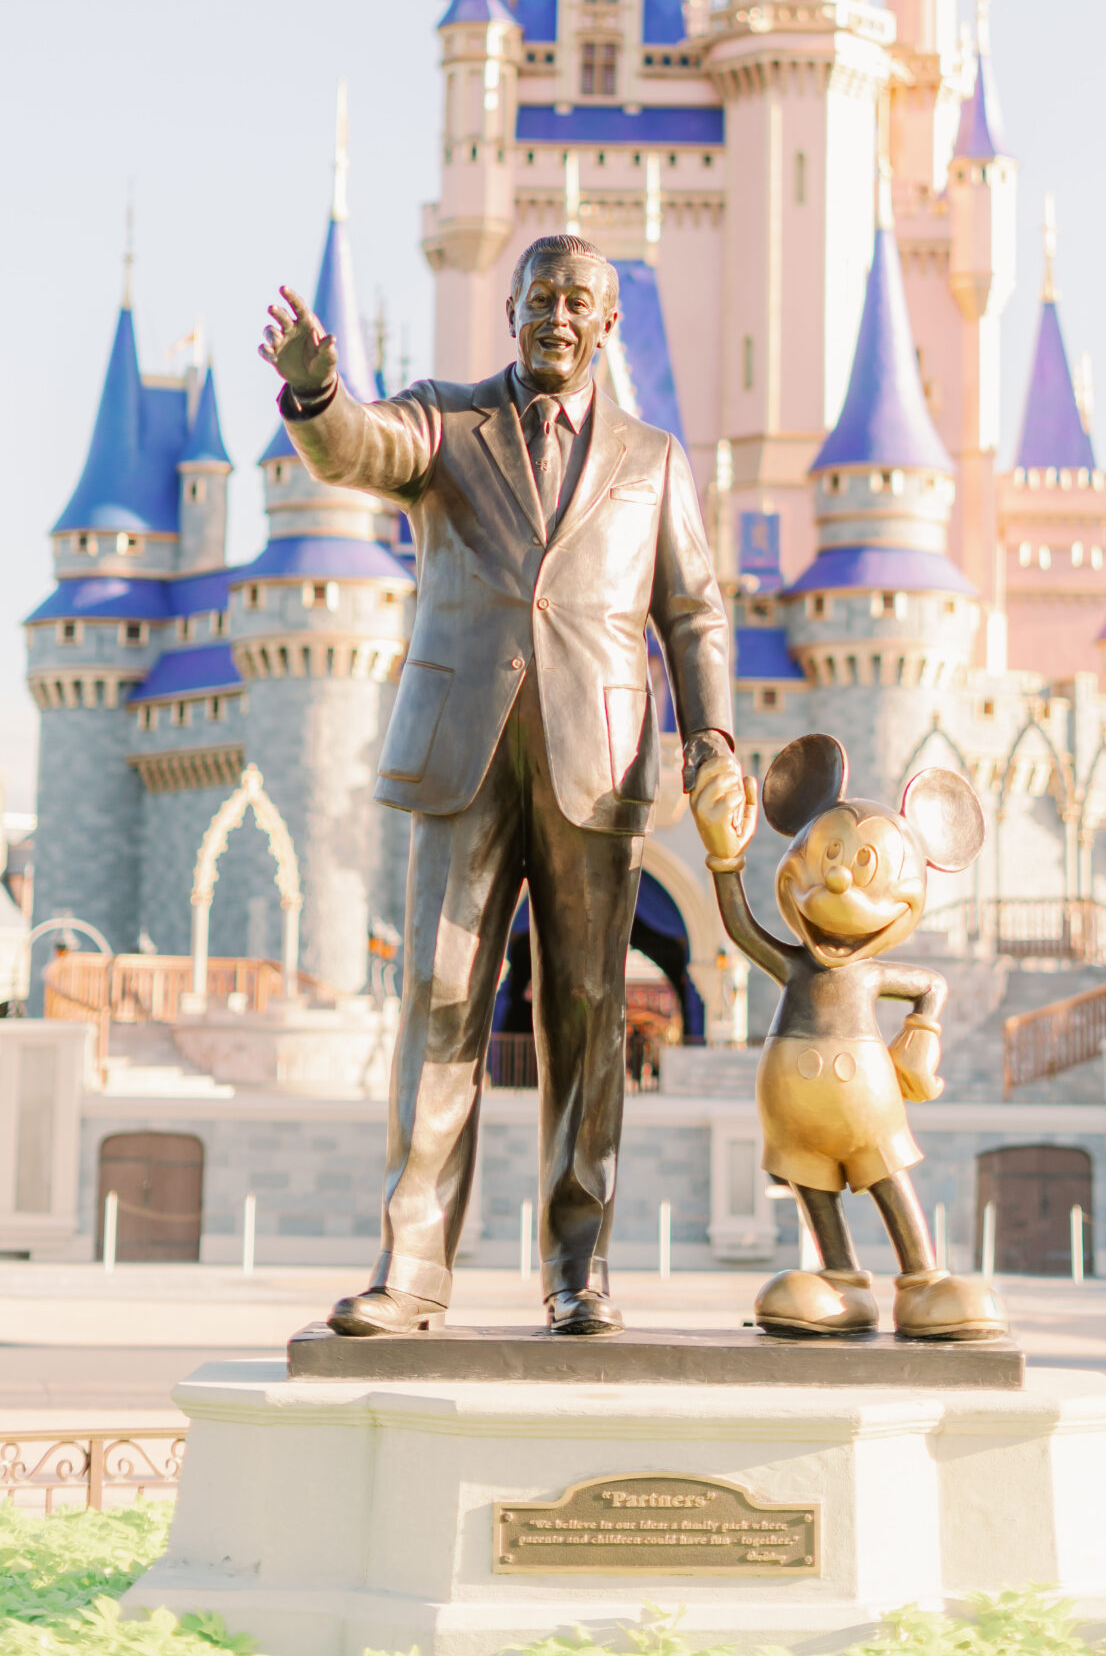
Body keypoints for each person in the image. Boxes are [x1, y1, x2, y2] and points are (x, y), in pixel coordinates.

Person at [262, 232, 745, 1337]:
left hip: (601, 760)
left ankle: (579, 1271)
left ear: (609, 320)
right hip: (462, 750)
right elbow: (356, 449)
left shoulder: (655, 458)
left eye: (580, 300)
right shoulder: (446, 419)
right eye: (540, 297)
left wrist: (710, 733)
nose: (558, 317)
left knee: (584, 1015)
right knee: (438, 1001)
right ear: (512, 308)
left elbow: (695, 609)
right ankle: (411, 1270)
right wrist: (317, 389)